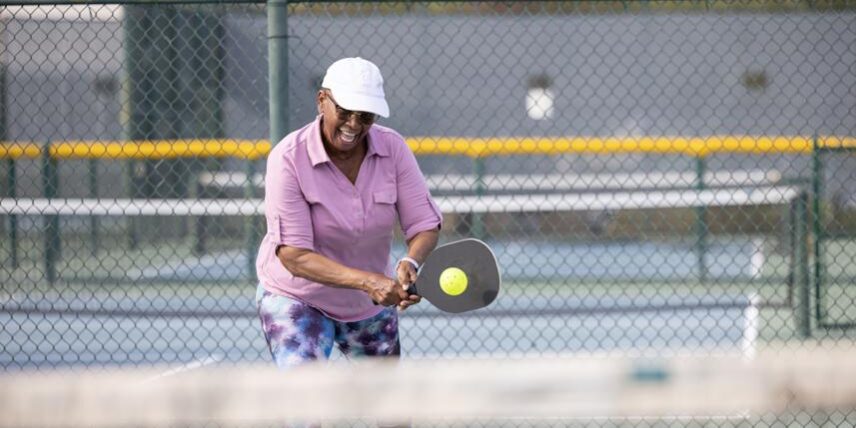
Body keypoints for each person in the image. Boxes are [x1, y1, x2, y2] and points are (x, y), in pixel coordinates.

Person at [255, 57, 442, 369]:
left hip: (367, 305)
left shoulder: (394, 149)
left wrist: (410, 262)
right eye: (344, 111)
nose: (354, 124)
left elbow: (424, 224)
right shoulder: (288, 158)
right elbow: (294, 256)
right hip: (297, 297)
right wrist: (369, 282)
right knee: (304, 394)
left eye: (365, 115)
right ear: (322, 101)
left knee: (386, 399)